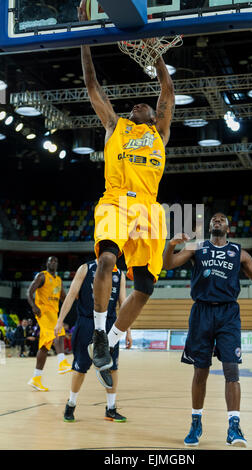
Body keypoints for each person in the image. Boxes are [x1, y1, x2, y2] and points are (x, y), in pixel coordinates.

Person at [78, 1, 174, 384]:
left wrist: (156, 55)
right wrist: (85, 37)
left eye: (145, 105)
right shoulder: (115, 125)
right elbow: (91, 85)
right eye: (137, 104)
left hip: (149, 212)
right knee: (105, 262)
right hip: (116, 201)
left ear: (153, 116)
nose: (140, 103)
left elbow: (166, 89)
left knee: (146, 288)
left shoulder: (160, 135)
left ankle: (111, 342)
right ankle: (100, 331)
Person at [163, 212, 252, 447]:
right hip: (202, 312)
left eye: (222, 218)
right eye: (214, 218)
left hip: (228, 315)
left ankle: (234, 427)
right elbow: (168, 264)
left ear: (228, 228)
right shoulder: (197, 247)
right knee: (200, 372)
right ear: (210, 226)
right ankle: (196, 422)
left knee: (232, 371)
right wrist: (171, 244)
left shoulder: (240, 253)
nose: (217, 220)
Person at [54, 260, 132, 422]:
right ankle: (71, 404)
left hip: (111, 324)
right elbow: (70, 295)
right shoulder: (85, 268)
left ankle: (111, 409)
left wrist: (128, 331)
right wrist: (60, 320)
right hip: (87, 323)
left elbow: (124, 304)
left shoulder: (120, 274)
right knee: (80, 367)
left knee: (112, 367)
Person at [27, 256, 71, 391]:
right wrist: (34, 306)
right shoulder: (42, 276)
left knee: (45, 346)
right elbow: (29, 291)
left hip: (54, 313)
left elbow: (64, 297)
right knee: (59, 332)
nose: (53, 263)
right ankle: (62, 361)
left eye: (55, 261)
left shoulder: (58, 280)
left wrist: (78, 296)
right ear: (46, 263)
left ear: (57, 264)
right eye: (50, 261)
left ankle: (36, 378)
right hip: (43, 312)